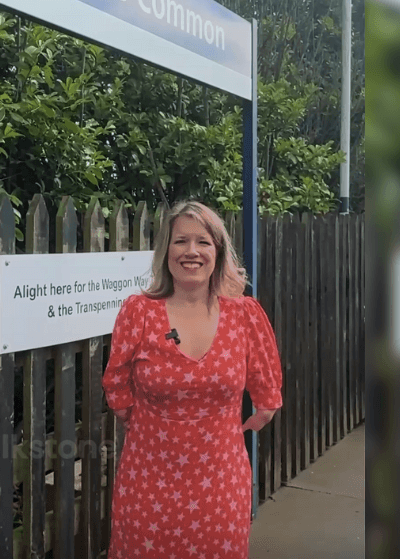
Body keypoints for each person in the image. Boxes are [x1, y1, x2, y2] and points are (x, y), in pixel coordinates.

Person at [102, 200, 283, 559]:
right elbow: (116, 386)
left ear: (218, 251)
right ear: (165, 251)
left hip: (220, 488)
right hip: (149, 486)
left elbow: (267, 394)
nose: (191, 251)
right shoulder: (138, 312)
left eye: (203, 241)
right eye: (180, 241)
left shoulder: (243, 314)